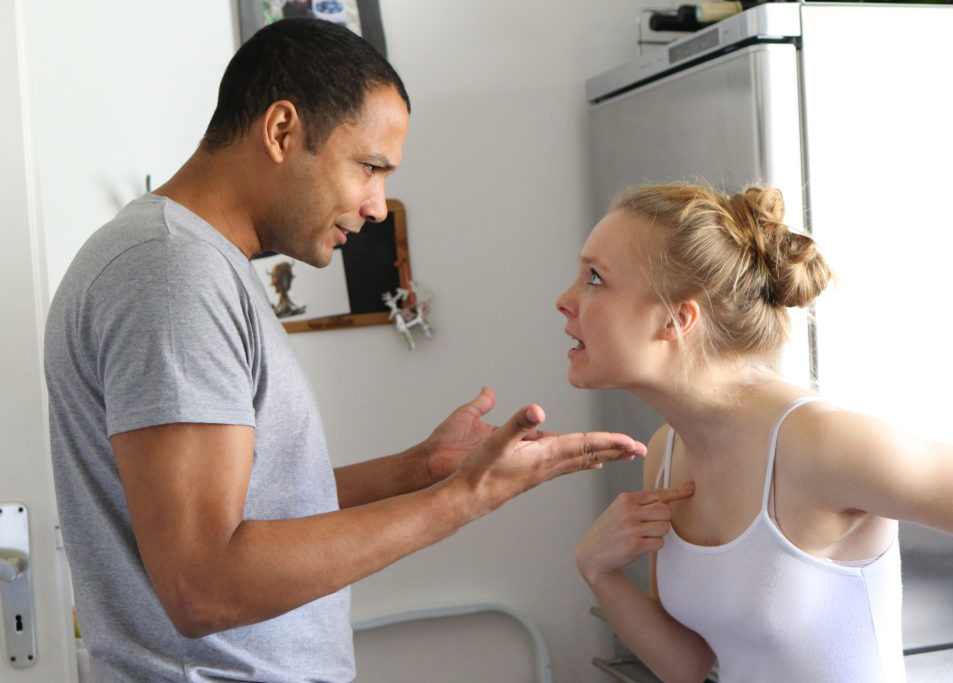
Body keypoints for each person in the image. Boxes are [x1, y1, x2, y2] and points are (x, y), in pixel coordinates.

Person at [43, 18, 647, 682]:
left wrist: (420, 469)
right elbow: (205, 584)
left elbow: (258, 507)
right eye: (370, 167)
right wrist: (465, 498)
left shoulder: (191, 264)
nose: (379, 206)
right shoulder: (171, 273)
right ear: (282, 131)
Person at [555, 182, 953, 682]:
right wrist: (598, 570)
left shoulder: (821, 443)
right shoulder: (666, 453)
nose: (564, 300)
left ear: (676, 320)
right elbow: (687, 665)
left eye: (595, 278)